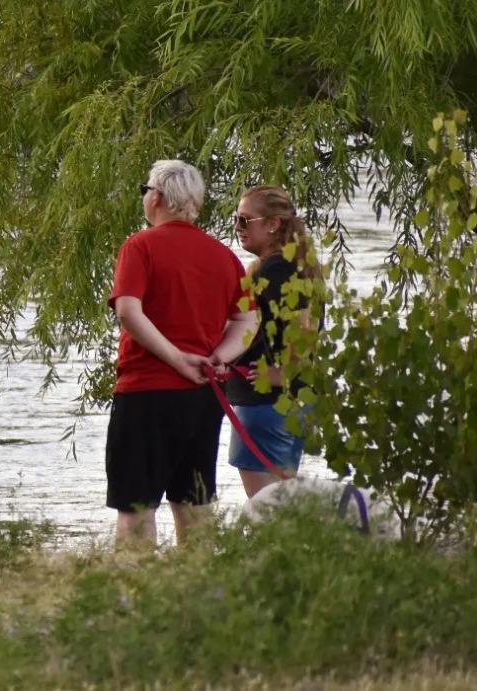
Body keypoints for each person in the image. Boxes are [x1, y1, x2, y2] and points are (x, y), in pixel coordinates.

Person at [107, 160, 254, 548]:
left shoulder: (139, 246)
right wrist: (218, 358)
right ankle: (197, 593)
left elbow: (127, 309)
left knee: (136, 505)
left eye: (145, 191)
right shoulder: (223, 256)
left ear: (155, 197)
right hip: (203, 397)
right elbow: (248, 320)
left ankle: (133, 593)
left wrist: (175, 358)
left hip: (146, 391)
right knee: (194, 502)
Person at [208, 185, 319, 498]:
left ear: (272, 224)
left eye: (245, 221)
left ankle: (276, 548)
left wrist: (282, 373)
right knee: (279, 502)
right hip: (286, 403)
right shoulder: (293, 267)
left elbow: (304, 326)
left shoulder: (275, 271)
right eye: (236, 220)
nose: (237, 229)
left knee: (266, 506)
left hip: (266, 405)